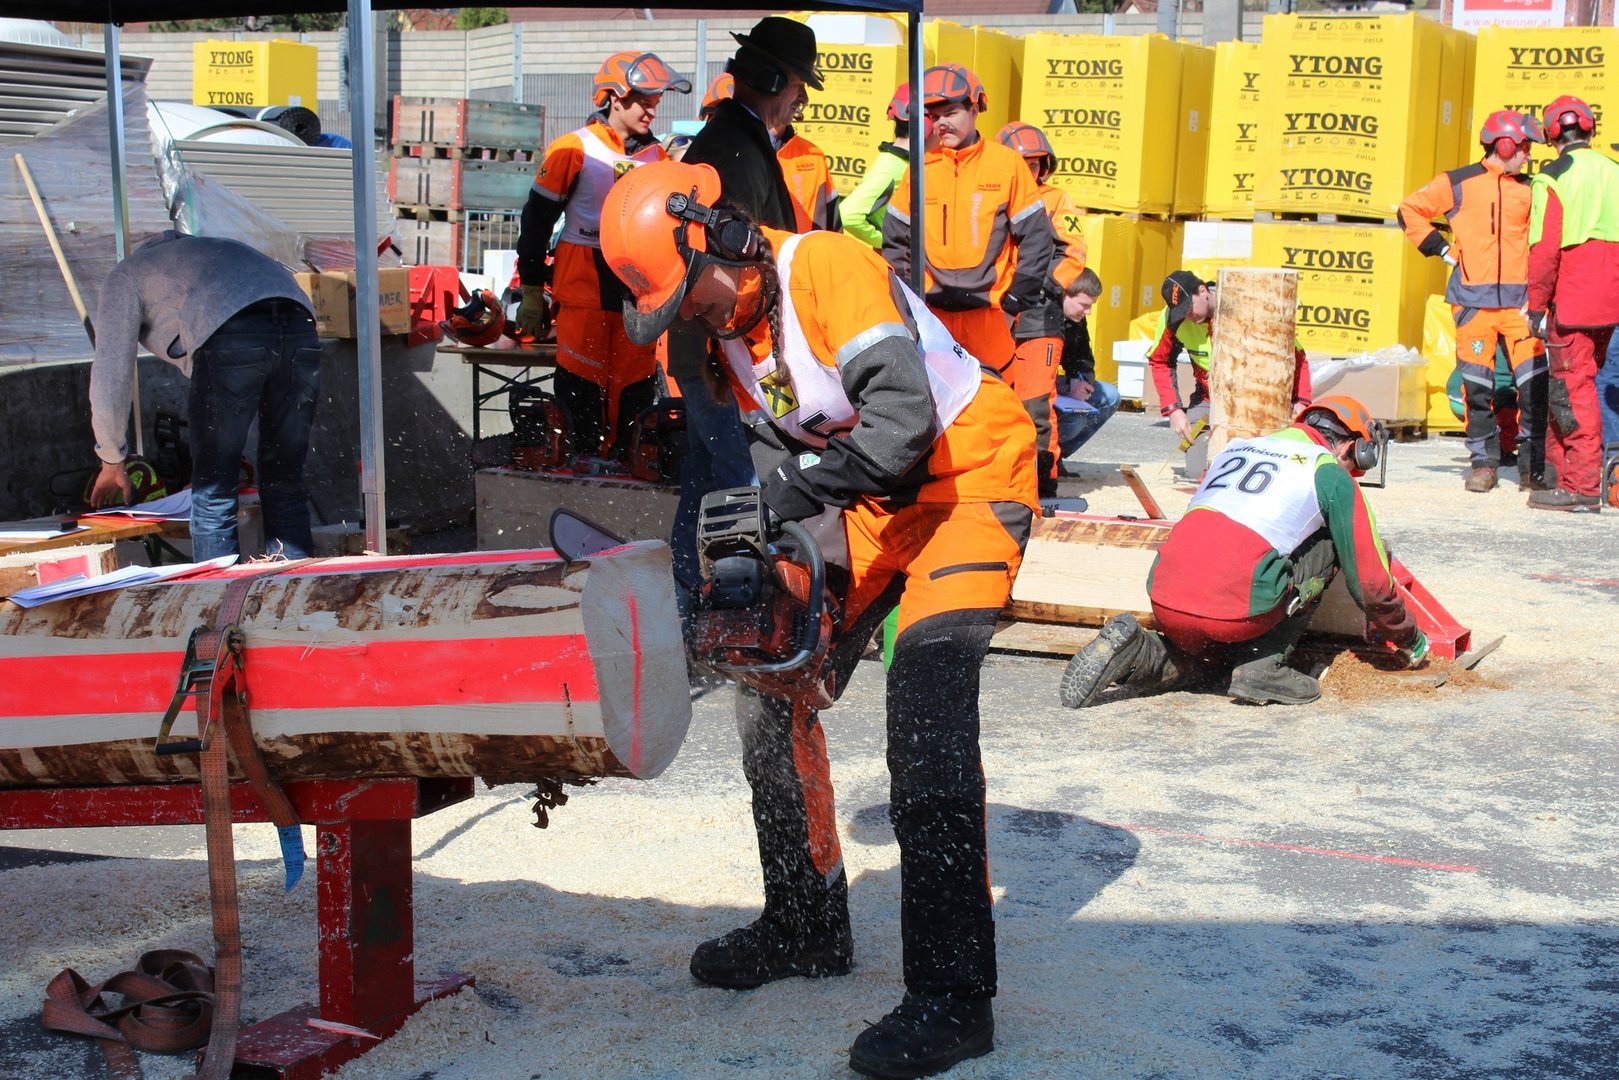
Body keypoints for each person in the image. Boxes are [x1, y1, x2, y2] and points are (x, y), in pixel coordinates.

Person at [599, 160, 1038, 1078]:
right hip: (872, 504)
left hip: (968, 480)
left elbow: (901, 422)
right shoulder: (726, 336)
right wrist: (767, 554)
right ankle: (805, 923)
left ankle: (954, 998)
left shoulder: (824, 267)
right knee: (768, 679)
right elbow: (781, 450)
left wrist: (786, 501)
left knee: (926, 721)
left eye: (694, 295)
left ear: (721, 235)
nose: (695, 315)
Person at [1061, 396, 1427, 710]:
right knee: (1332, 542)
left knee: (1205, 668)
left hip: (1165, 597)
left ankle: (1140, 650)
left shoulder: (1235, 449)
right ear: (1351, 448)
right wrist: (1409, 637)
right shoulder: (1328, 472)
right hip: (1237, 610)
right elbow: (1371, 584)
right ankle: (1262, 667)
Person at [667, 17, 822, 602]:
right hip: (725, 354)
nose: (800, 100)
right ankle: (745, 608)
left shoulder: (739, 140)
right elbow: (726, 267)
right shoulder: (734, 150)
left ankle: (685, 603)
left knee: (706, 482)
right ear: (772, 80)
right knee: (751, 485)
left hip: (720, 351)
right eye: (798, 86)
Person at [88, 231, 321, 561]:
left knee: (214, 493)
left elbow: (111, 373)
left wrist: (111, 459)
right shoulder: (217, 250)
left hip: (232, 331)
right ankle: (298, 586)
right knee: (285, 482)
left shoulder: (126, 275)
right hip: (301, 327)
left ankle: (218, 592)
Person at [514, 50, 691, 458]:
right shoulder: (573, 148)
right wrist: (531, 289)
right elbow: (536, 221)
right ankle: (575, 472)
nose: (652, 110)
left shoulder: (658, 159)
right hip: (582, 293)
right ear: (614, 97)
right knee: (581, 391)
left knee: (634, 393)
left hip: (637, 296)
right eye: (643, 101)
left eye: (655, 101)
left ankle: (627, 472)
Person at [1399, 109, 1547, 494]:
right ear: (1505, 145)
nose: (1529, 155)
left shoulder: (1532, 188)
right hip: (1472, 305)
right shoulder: (1457, 182)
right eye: (1525, 147)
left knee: (1534, 387)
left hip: (1520, 307)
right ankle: (1483, 464)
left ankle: (1533, 467)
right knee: (1477, 389)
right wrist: (1442, 250)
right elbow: (1409, 210)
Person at [881, 64, 1057, 380]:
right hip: (934, 318)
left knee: (994, 403)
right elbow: (896, 242)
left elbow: (1037, 239)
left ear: (974, 110)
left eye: (950, 113)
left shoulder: (1007, 165)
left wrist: (1015, 302)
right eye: (935, 117)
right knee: (936, 405)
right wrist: (909, 305)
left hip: (990, 318)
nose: (942, 123)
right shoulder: (921, 169)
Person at [1526, 94, 1619, 513]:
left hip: (1573, 300)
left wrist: (1535, 304)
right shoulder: (1615, 170)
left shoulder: (1552, 177)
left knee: (1571, 388)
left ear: (1551, 135)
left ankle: (1580, 485)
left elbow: (1544, 251)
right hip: (1610, 298)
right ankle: (1557, 472)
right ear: (1590, 128)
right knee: (1575, 384)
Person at [1149, 270, 1314, 477]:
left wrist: (1301, 401)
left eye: (1189, 307)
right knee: (1198, 472)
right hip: (1210, 398)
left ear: (1203, 291)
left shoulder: (1248, 306)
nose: (1187, 316)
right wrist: (1173, 410)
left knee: (1266, 468)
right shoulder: (1172, 319)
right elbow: (1160, 361)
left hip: (1258, 402)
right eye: (1181, 312)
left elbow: (1297, 357)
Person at [998, 121, 1088, 496]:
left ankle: (1042, 483)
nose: (1028, 170)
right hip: (994, 313)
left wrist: (1041, 284)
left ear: (1044, 165)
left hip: (1038, 316)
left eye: (1034, 164)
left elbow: (1074, 252)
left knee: (1036, 405)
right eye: (1022, 163)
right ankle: (1000, 481)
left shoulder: (1055, 200)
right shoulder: (992, 196)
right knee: (993, 404)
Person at [841, 84, 919, 250]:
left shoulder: (903, 163)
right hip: (898, 261)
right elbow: (849, 214)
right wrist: (889, 242)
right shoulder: (890, 168)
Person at [1055, 267, 1120, 460]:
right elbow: (1031, 375)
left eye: (1091, 305)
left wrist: (1082, 381)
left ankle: (1058, 457)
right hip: (1037, 391)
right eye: (1083, 305)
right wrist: (1067, 387)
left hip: (1061, 388)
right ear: (1065, 295)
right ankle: (1045, 459)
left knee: (1110, 396)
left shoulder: (1076, 320)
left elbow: (1083, 358)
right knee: (1076, 422)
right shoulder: (1038, 318)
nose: (1088, 312)